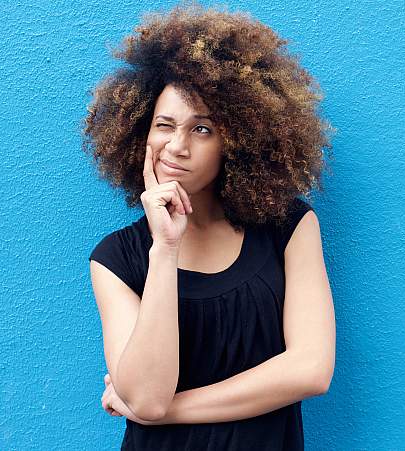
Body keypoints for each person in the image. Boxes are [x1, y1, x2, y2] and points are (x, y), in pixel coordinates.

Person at [82, 1, 336, 449]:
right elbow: (146, 398)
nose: (176, 146)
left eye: (202, 130)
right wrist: (164, 248)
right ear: (140, 132)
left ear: (237, 142)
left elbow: (312, 370)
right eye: (164, 125)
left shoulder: (288, 227)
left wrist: (167, 411)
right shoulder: (116, 259)